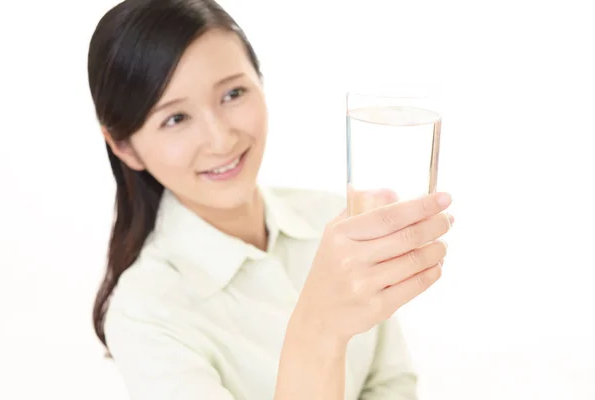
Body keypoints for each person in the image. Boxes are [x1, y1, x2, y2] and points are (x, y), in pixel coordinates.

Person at [87, 0, 454, 399]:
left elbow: (393, 385)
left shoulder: (332, 222)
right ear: (124, 147)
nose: (221, 139)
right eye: (175, 118)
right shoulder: (145, 313)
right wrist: (320, 328)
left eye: (233, 93)